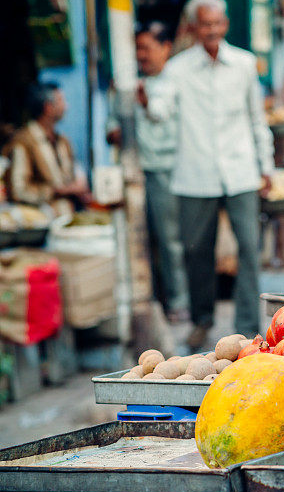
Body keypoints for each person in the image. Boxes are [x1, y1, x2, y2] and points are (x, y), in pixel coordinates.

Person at [144, 0, 274, 348]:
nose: (213, 30)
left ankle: (247, 326)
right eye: (206, 24)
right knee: (196, 251)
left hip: (241, 169)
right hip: (195, 173)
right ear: (194, 27)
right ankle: (202, 319)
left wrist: (267, 165)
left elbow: (256, 118)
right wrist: (144, 100)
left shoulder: (245, 64)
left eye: (218, 23)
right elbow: (161, 109)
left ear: (226, 25)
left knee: (249, 249)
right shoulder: (178, 68)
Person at [107, 21, 190, 323]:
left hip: (165, 168)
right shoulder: (130, 84)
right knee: (143, 239)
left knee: (170, 240)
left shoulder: (174, 82)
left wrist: (144, 102)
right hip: (135, 173)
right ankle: (155, 299)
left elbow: (159, 112)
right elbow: (113, 124)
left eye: (146, 47)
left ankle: (179, 302)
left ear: (165, 48)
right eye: (137, 48)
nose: (141, 54)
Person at [2, 82, 91, 216]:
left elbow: (75, 180)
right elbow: (18, 191)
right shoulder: (24, 142)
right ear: (48, 108)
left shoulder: (63, 142)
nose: (66, 106)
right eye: (61, 101)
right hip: (41, 225)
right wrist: (59, 191)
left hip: (69, 219)